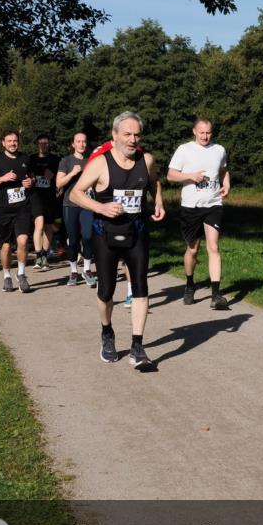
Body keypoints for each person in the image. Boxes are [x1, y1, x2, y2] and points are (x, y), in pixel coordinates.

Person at [70, 111, 165, 367]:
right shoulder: (100, 163)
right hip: (106, 235)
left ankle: (137, 346)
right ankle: (107, 331)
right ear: (114, 136)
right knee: (106, 291)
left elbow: (155, 183)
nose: (133, 139)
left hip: (137, 232)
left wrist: (158, 202)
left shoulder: (146, 160)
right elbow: (75, 194)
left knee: (141, 288)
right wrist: (100, 208)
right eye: (127, 134)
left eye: (136, 134)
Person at [167, 116, 231, 309]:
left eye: (208, 132)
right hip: (191, 207)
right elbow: (170, 175)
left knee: (213, 247)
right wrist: (190, 176)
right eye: (201, 132)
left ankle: (216, 295)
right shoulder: (184, 150)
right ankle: (189, 284)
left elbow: (224, 170)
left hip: (213, 204)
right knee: (193, 249)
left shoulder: (219, 150)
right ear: (194, 131)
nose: (205, 136)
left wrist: (226, 184)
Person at [0, 130, 34, 293]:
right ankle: (6, 276)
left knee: (23, 241)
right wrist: (3, 179)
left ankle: (21, 274)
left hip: (23, 209)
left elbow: (32, 177)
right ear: (3, 143)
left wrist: (30, 182)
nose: (13, 143)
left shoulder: (26, 159)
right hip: (4, 210)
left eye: (15, 140)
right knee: (6, 246)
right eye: (9, 141)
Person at [56, 132, 96, 287]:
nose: (81, 144)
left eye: (84, 141)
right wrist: (73, 172)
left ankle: (87, 269)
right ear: (73, 144)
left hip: (87, 204)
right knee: (72, 240)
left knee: (87, 236)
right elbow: (58, 183)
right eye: (78, 141)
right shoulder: (66, 161)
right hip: (70, 204)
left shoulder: (92, 161)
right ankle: (73, 271)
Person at [29, 134, 60, 271]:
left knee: (48, 226)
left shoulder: (55, 159)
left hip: (50, 197)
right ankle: (38, 255)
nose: (44, 145)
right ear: (37, 144)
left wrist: (53, 176)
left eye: (46, 143)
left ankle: (45, 256)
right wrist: (32, 178)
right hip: (36, 196)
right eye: (41, 143)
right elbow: (26, 175)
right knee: (39, 224)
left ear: (49, 144)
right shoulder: (31, 159)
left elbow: (60, 176)